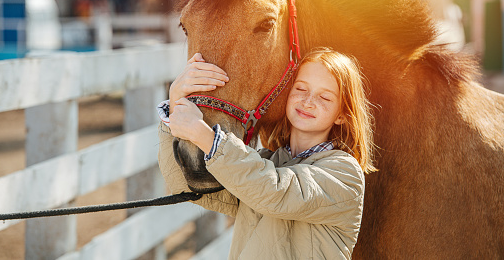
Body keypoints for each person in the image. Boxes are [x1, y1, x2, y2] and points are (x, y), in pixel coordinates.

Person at [157, 47, 377, 259]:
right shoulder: (263, 162)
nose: (308, 102)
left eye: (325, 98)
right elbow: (189, 185)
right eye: (301, 89)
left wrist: (205, 136)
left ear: (342, 115)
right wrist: (177, 101)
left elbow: (274, 191)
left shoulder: (345, 174)